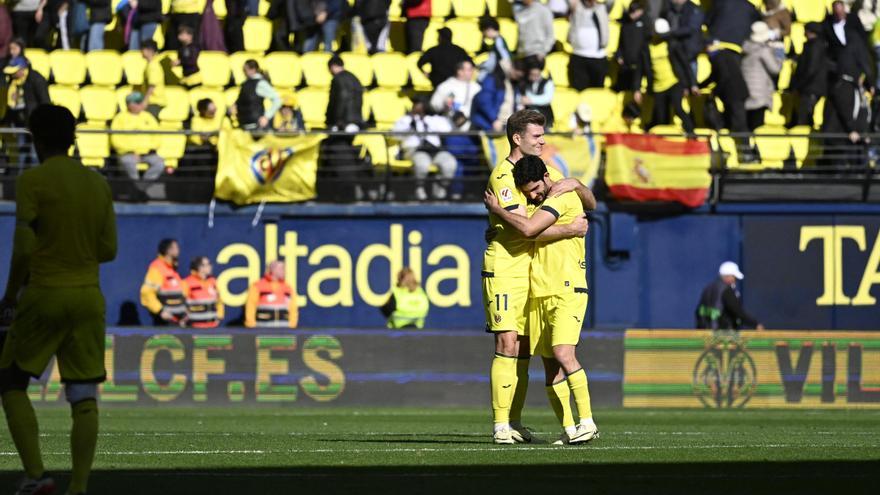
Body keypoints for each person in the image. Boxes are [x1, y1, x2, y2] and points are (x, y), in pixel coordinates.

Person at [0, 104, 116, 495]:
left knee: (11, 381)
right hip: (87, 297)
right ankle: (78, 487)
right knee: (83, 394)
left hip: (45, 295)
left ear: (37, 140)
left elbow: (22, 250)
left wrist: (9, 296)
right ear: (72, 138)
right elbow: (109, 249)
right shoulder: (97, 184)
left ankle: (36, 475)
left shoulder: (32, 182)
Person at [483, 109, 595, 445]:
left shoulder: (545, 171)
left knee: (525, 349)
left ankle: (516, 422)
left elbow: (586, 202)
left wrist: (576, 183)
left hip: (533, 272)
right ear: (517, 139)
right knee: (506, 343)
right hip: (505, 266)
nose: (542, 141)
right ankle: (501, 425)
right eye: (536, 136)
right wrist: (568, 229)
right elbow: (527, 230)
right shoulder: (504, 177)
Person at [392, 97, 456, 200]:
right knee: (422, 164)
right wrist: (410, 126)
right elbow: (395, 135)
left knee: (450, 163)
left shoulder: (434, 119)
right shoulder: (405, 120)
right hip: (415, 150)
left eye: (421, 104)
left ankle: (441, 189)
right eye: (417, 104)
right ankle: (419, 189)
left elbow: (448, 128)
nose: (419, 107)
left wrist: (445, 112)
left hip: (434, 150)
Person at [647, 18, 697, 135]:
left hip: (674, 82)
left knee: (678, 109)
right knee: (661, 115)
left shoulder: (673, 44)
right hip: (658, 86)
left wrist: (692, 84)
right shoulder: (648, 47)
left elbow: (685, 65)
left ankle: (692, 135)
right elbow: (643, 68)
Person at [110, 92, 166, 181]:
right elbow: (116, 140)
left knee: (159, 163)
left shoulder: (148, 116)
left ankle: (143, 185)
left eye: (140, 102)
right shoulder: (120, 118)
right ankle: (135, 185)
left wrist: (147, 150)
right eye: (137, 103)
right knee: (128, 162)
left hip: (147, 152)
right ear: (129, 104)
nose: (140, 105)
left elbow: (157, 136)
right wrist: (132, 151)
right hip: (128, 153)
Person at [696, 261, 764, 332]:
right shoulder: (727, 291)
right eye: (734, 277)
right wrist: (755, 324)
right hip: (722, 337)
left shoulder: (708, 288)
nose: (735, 280)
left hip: (704, 334)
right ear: (727, 276)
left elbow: (698, 312)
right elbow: (738, 312)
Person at [741, 21, 782, 131]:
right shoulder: (763, 51)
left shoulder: (745, 47)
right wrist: (779, 54)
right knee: (757, 128)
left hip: (747, 91)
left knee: (748, 126)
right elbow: (775, 69)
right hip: (760, 95)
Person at [140, 238, 187, 325]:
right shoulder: (157, 268)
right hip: (164, 323)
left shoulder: (172, 269)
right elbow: (146, 292)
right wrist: (160, 311)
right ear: (169, 250)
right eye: (176, 247)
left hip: (177, 322)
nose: (178, 250)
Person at [789, 22, 827, 127]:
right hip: (810, 86)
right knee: (806, 116)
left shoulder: (815, 46)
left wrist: (799, 84)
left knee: (804, 117)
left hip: (811, 87)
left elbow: (811, 69)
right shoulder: (814, 46)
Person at [568, 0, 611, 90]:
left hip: (598, 57)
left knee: (596, 91)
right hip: (579, 55)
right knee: (579, 89)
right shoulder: (577, 6)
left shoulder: (602, 8)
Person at [245, 260, 298, 328]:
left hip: (284, 331)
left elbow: (293, 308)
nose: (284, 271)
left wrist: (292, 325)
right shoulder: (258, 286)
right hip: (263, 330)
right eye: (281, 268)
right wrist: (251, 325)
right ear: (273, 270)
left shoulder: (288, 288)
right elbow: (251, 306)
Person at [1, 56, 49, 128]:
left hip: (31, 121)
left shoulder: (37, 79)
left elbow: (45, 102)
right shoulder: (10, 79)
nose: (11, 74)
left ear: (22, 70)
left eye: (14, 72)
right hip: (13, 118)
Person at [613, 1, 650, 95]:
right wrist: (619, 55)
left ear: (641, 11)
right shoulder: (626, 24)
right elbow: (621, 43)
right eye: (631, 11)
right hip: (625, 64)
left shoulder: (646, 23)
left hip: (639, 65)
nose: (632, 14)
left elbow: (646, 44)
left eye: (634, 12)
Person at [235, 59, 282, 130]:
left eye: (245, 70)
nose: (244, 72)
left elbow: (278, 100)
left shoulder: (260, 83)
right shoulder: (246, 84)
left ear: (253, 69)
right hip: (244, 125)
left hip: (256, 127)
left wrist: (266, 117)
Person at [664, 0, 705, 81]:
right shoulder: (671, 9)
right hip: (675, 49)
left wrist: (671, 33)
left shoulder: (693, 9)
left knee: (691, 78)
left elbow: (692, 28)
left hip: (689, 49)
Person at [182, 256, 224, 329]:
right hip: (195, 327)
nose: (210, 266)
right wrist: (187, 318)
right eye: (208, 264)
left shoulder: (213, 281)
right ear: (200, 267)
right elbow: (182, 303)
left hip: (213, 327)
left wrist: (219, 316)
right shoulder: (187, 283)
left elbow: (219, 301)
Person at [325, 55, 364, 130]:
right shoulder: (354, 78)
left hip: (343, 122)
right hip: (356, 120)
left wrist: (334, 120)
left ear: (333, 66)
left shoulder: (337, 79)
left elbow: (339, 101)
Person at [520, 56, 555, 128]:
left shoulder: (547, 82)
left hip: (545, 118)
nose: (534, 77)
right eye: (532, 75)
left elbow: (547, 98)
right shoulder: (524, 83)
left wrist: (531, 100)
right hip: (528, 118)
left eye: (537, 75)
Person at [135, 40, 165, 118]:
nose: (141, 51)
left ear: (150, 51)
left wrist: (145, 102)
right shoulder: (151, 64)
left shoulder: (153, 66)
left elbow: (152, 85)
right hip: (152, 101)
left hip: (154, 102)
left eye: (142, 49)